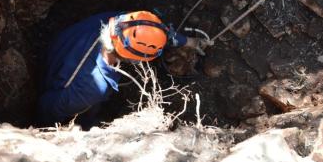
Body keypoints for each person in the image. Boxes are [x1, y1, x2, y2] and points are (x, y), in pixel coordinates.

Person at [37, 10, 209, 128]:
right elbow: (48, 108)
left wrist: (190, 42)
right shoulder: (92, 88)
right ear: (135, 59)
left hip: (63, 46)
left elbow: (156, 29)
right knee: (86, 114)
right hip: (59, 84)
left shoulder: (123, 21)